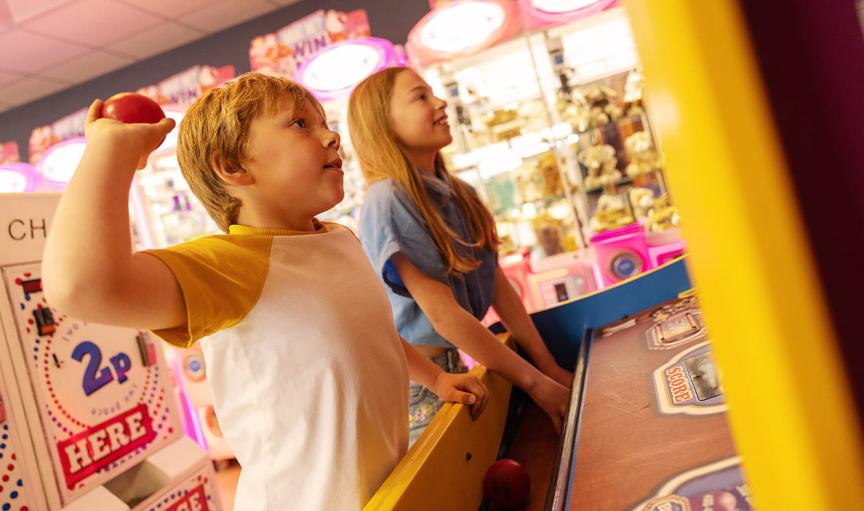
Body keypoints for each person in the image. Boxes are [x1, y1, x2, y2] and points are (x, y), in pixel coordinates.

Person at [41, 73, 488, 510]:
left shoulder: (338, 237)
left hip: (386, 493)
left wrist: (435, 378)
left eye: (322, 121)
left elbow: (372, 335)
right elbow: (82, 287)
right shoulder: (228, 265)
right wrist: (111, 149)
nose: (331, 136)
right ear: (232, 166)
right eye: (300, 124)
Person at [347, 67, 573, 445]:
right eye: (420, 97)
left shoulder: (458, 191)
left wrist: (547, 366)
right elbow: (444, 314)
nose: (440, 103)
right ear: (382, 123)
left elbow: (497, 284)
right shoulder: (388, 199)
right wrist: (536, 383)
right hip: (418, 383)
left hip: (453, 365)